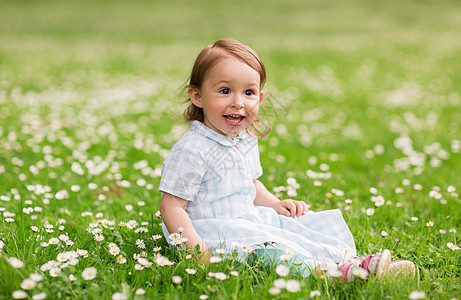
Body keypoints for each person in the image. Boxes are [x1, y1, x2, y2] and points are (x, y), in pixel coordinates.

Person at [158, 39, 415, 279]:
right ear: (198, 96)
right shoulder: (193, 149)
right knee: (272, 251)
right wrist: (199, 253)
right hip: (210, 231)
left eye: (248, 93)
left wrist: (274, 203)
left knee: (300, 225)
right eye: (225, 91)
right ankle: (331, 274)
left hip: (247, 217)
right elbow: (172, 207)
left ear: (259, 98)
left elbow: (249, 183)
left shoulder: (244, 139)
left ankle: (354, 261)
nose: (238, 103)